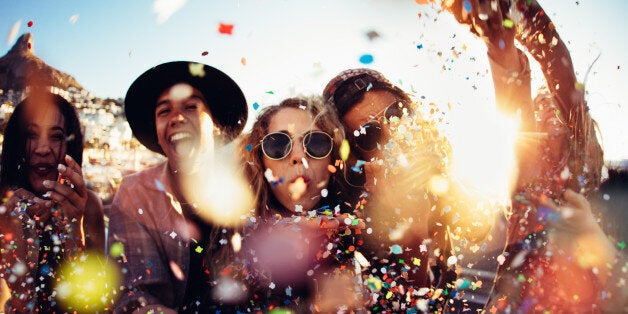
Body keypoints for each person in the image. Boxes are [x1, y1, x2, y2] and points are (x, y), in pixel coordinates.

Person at [440, 0, 624, 311]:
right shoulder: (526, 186)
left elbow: (558, 64)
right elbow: (514, 94)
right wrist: (498, 40)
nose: (545, 120)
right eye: (537, 114)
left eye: (555, 113)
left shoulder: (583, 169)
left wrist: (520, 14)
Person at [322, 68, 487, 312]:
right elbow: (405, 307)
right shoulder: (348, 221)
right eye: (369, 134)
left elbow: (478, 228)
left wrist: (442, 183)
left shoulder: (434, 172)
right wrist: (414, 232)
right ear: (353, 155)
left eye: (397, 114)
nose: (392, 134)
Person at [106, 61, 250, 313]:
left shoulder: (251, 186)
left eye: (191, 107)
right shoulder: (135, 194)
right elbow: (133, 294)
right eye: (164, 111)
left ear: (215, 125)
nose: (177, 118)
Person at [237, 95, 365, 312]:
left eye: (316, 142)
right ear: (260, 160)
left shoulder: (362, 227)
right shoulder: (231, 239)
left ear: (332, 159)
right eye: (278, 144)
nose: (298, 155)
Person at [0, 89, 105, 312]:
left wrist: (73, 232)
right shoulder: (4, 207)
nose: (43, 149)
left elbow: (97, 304)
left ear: (70, 145)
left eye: (56, 136)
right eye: (31, 135)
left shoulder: (89, 207)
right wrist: (13, 241)